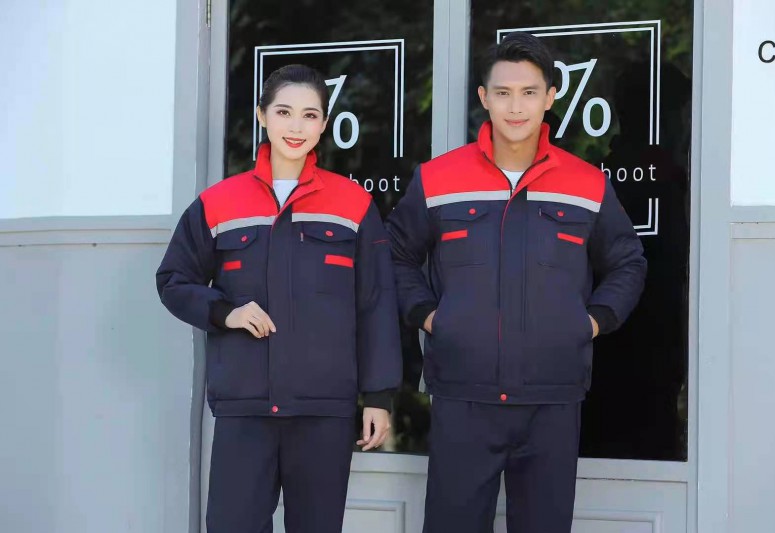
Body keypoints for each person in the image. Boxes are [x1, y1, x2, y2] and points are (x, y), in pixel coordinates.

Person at [386, 33, 647, 532]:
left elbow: (628, 262)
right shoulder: (438, 179)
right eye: (503, 93)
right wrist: (429, 315)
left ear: (550, 98)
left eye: (529, 92)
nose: (516, 106)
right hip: (463, 396)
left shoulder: (586, 183)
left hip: (552, 399)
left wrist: (591, 323)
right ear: (483, 98)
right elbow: (395, 254)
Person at [156, 64, 402, 533]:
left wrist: (378, 395)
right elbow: (173, 279)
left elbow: (375, 302)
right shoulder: (218, 202)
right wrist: (225, 312)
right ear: (262, 116)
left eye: (309, 115)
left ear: (324, 124)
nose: (296, 126)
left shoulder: (353, 204)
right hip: (245, 408)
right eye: (284, 112)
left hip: (323, 410)